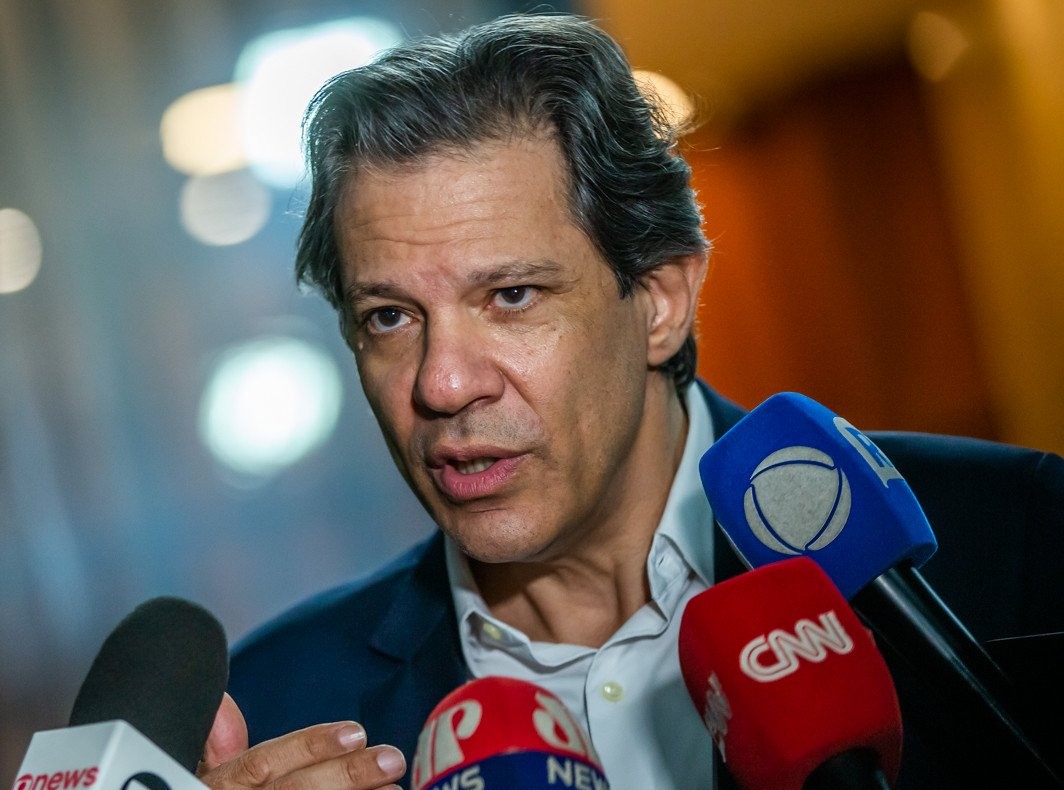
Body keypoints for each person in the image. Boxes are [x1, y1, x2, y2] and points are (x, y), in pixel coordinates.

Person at [197, 13, 1064, 790]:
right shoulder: (277, 706)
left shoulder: (1017, 537)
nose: (442, 383)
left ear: (658, 301)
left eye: (512, 296)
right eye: (389, 316)